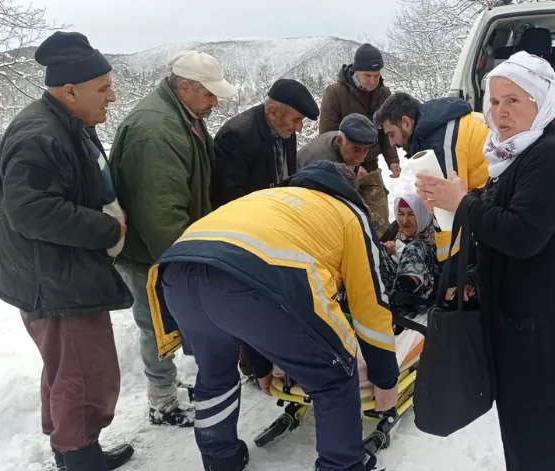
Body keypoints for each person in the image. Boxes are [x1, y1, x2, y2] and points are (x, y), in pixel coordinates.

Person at [415, 51, 555, 471]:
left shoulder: (552, 155)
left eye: (513, 101)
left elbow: (522, 235)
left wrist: (464, 203)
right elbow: (498, 229)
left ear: (540, 103)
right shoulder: (510, 155)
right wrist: (470, 268)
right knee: (529, 446)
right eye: (494, 101)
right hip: (528, 341)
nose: (501, 112)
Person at [146, 161, 399, 471]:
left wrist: (261, 366)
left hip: (177, 272)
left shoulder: (265, 199)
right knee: (333, 375)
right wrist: (386, 378)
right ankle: (342, 466)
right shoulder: (349, 214)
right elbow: (370, 302)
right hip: (257, 279)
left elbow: (245, 278)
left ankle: (220, 459)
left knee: (214, 377)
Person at [0, 31, 135, 470]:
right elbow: (32, 211)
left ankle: (72, 448)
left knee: (67, 370)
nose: (113, 97)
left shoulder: (66, 122)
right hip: (54, 283)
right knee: (84, 374)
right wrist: (107, 229)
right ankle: (79, 458)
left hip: (58, 274)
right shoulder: (40, 135)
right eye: (103, 89)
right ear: (70, 90)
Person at [109, 50, 237, 427]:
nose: (214, 102)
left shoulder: (185, 116)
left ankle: (166, 384)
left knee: (165, 321)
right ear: (185, 87)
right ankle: (162, 400)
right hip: (150, 251)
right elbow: (160, 213)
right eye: (209, 94)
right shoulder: (157, 131)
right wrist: (184, 265)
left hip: (167, 244)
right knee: (154, 323)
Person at [373, 92, 489, 271]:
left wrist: (449, 272)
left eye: (391, 134)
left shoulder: (441, 144)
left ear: (406, 122)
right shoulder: (439, 125)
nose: (391, 143)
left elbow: (447, 214)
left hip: (496, 197)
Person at [320, 43, 398, 233]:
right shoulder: (335, 93)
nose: (372, 81)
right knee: (349, 222)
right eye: (368, 76)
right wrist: (353, 165)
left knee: (380, 223)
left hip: (371, 167)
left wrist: (392, 160)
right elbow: (327, 136)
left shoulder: (384, 94)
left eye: (376, 76)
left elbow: (385, 132)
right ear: (356, 72)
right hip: (342, 168)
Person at [211, 78, 319, 209]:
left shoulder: (285, 129)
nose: (299, 128)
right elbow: (229, 198)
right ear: (273, 112)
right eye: (296, 120)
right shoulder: (235, 137)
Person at [379, 191, 439, 319]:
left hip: (418, 305)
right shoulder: (396, 234)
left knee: (415, 247)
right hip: (387, 300)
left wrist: (401, 251)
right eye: (401, 214)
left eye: (412, 214)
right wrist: (389, 251)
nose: (405, 220)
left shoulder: (435, 239)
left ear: (422, 214)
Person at [297, 113, 377, 179]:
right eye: (356, 150)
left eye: (366, 150)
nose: (361, 158)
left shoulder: (340, 137)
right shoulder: (327, 168)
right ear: (339, 141)